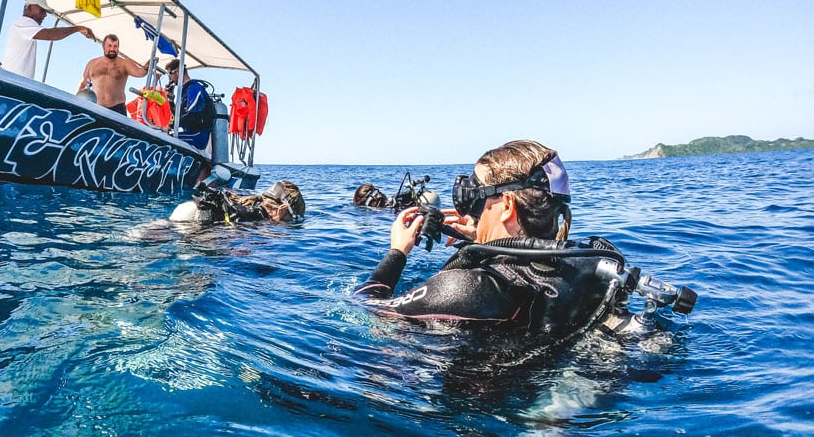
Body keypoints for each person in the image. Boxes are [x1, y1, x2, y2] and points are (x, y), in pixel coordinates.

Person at [355, 140, 615, 348]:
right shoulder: (580, 266)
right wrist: (482, 238)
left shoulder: (466, 287)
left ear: (507, 206)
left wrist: (397, 252)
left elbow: (367, 305)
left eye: (476, 197)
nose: (469, 209)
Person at [1, 0, 95, 79]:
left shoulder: (26, 25)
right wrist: (78, 28)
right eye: (42, 10)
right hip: (12, 79)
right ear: (29, 8)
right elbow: (50, 34)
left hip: (16, 80)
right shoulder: (23, 22)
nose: (45, 15)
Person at [170, 180, 306, 225]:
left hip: (187, 210)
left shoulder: (246, 203)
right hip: (195, 226)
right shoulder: (258, 220)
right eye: (288, 220)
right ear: (281, 210)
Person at [77, 34, 148, 115]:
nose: (112, 49)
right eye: (109, 46)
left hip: (117, 109)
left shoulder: (125, 63)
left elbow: (140, 73)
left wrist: (147, 66)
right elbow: (83, 83)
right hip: (95, 107)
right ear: (103, 46)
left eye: (115, 46)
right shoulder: (92, 63)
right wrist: (75, 101)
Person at [165, 58, 214, 150]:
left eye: (170, 74)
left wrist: (171, 124)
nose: (170, 79)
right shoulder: (184, 91)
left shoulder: (193, 88)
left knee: (165, 139)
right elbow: (179, 116)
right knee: (165, 135)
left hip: (198, 136)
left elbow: (191, 116)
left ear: (178, 72)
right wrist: (170, 101)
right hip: (190, 133)